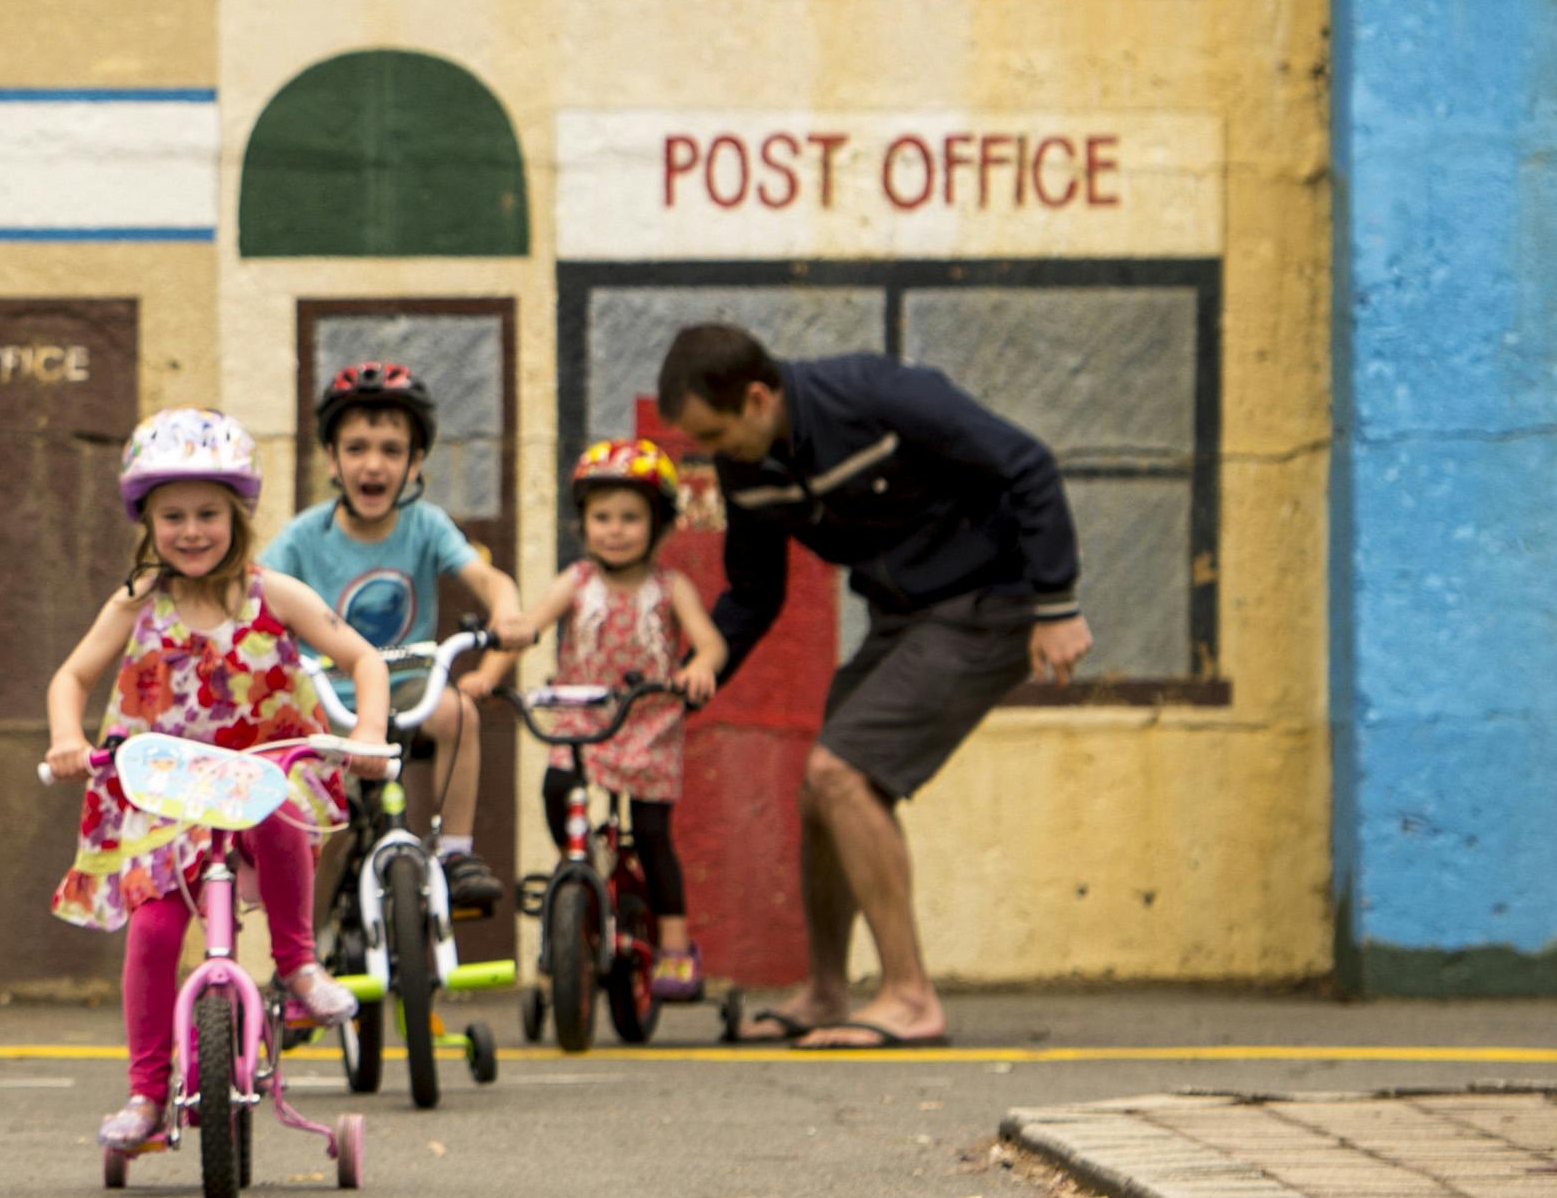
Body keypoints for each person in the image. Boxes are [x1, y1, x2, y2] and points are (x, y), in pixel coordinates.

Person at [659, 321, 1090, 1053]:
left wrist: (1057, 602)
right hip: (906, 616)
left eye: (717, 432)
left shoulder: (873, 395)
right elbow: (754, 593)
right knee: (819, 790)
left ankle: (911, 997)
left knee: (843, 772)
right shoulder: (749, 466)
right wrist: (681, 681)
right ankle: (828, 990)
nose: (715, 453)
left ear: (757, 397)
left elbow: (1027, 464)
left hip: (991, 603)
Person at [42, 407, 395, 1161]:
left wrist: (366, 731)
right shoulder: (138, 599)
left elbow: (364, 658)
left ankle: (296, 962)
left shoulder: (276, 592)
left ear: (237, 516)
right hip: (164, 794)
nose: (192, 530)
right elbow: (72, 675)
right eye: (174, 516)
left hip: (263, 773)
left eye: (208, 513)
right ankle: (145, 1090)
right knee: (155, 930)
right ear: (148, 521)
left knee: (275, 812)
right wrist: (68, 737)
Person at [261, 358, 533, 921]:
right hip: (329, 700)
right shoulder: (305, 536)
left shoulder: (426, 525)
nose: (374, 463)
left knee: (458, 713)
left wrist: (507, 612)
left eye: (391, 449)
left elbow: (489, 580)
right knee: (323, 820)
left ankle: (456, 855)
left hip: (408, 690)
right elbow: (254, 591)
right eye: (356, 448)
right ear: (332, 459)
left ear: (415, 464)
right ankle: (305, 936)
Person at [507, 439, 729, 1000]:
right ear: (582, 522)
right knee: (557, 788)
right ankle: (575, 870)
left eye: (631, 518)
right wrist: (490, 671)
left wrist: (698, 668)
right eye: (601, 516)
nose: (615, 529)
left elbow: (710, 646)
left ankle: (675, 949)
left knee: (654, 834)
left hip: (648, 723)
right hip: (582, 720)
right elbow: (529, 627)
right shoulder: (577, 582)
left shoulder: (669, 588)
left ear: (658, 525)